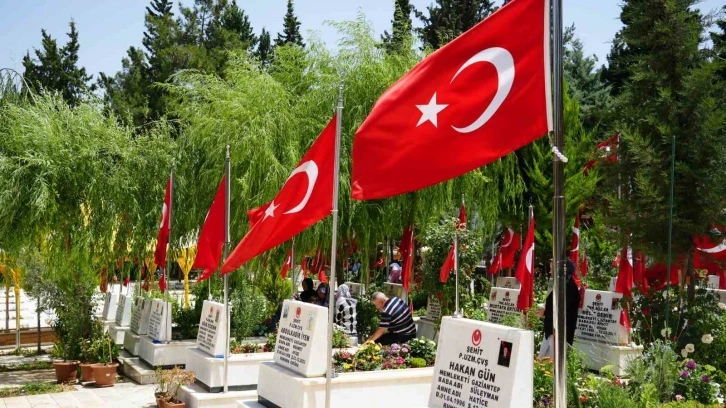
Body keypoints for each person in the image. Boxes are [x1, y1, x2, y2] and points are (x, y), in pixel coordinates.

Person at [537, 258, 580, 358]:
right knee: (542, 362)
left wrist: (545, 313)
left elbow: (563, 311)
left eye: (552, 269)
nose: (550, 271)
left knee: (552, 366)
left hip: (559, 334)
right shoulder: (561, 284)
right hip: (550, 330)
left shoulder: (569, 287)